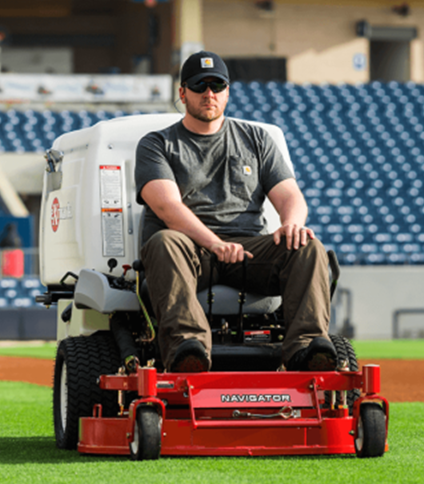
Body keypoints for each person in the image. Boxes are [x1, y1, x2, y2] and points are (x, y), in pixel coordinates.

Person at [134, 50, 336, 373]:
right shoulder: (157, 144)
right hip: (191, 251)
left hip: (247, 251)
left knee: (307, 245)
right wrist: (214, 243)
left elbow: (290, 195)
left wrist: (292, 224)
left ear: (228, 91)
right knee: (163, 242)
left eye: (217, 85)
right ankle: (189, 348)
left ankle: (307, 347)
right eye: (200, 86)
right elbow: (167, 207)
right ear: (183, 93)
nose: (209, 94)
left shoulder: (256, 139)